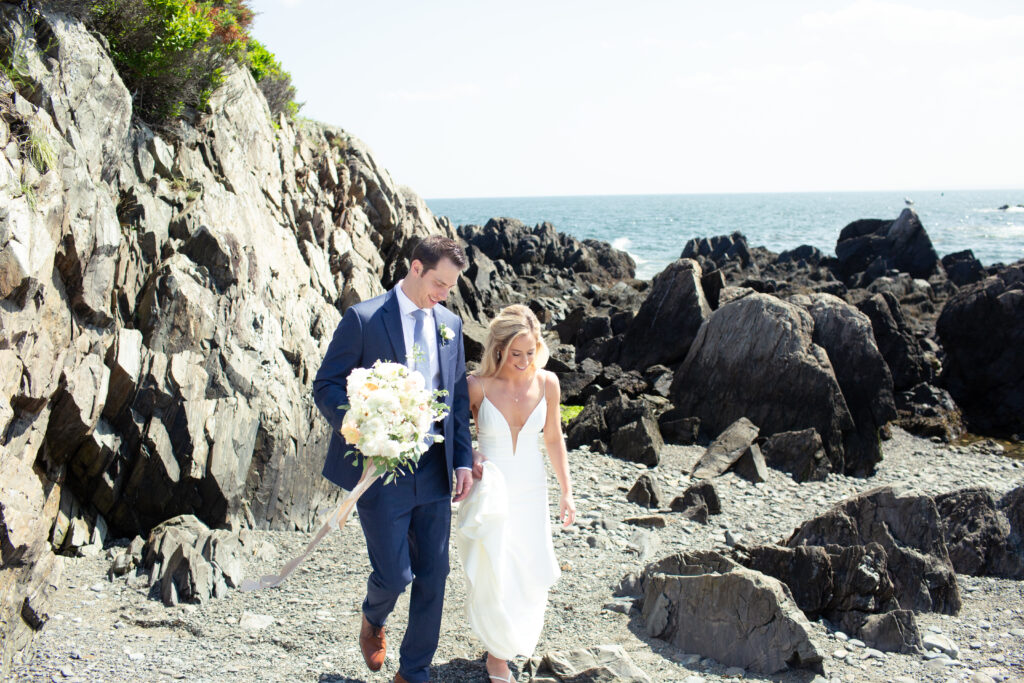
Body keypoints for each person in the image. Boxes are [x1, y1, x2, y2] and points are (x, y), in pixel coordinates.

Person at [313, 235, 474, 683]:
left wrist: (462, 460)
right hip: (381, 468)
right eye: (439, 283)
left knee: (435, 573)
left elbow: (457, 399)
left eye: (450, 288)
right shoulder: (363, 319)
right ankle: (373, 617)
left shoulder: (450, 325)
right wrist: (364, 427)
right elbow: (325, 384)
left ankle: (415, 671)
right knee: (394, 573)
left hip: (436, 466)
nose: (443, 294)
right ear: (416, 267)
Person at [456, 304, 577, 683]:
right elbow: (455, 436)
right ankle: (497, 656)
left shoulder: (548, 383)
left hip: (531, 486)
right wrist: (470, 452)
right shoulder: (476, 386)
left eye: (531, 351)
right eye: (516, 353)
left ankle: (509, 640)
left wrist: (566, 491)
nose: (525, 361)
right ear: (498, 350)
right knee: (496, 566)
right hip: (490, 486)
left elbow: (554, 438)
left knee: (527, 566)